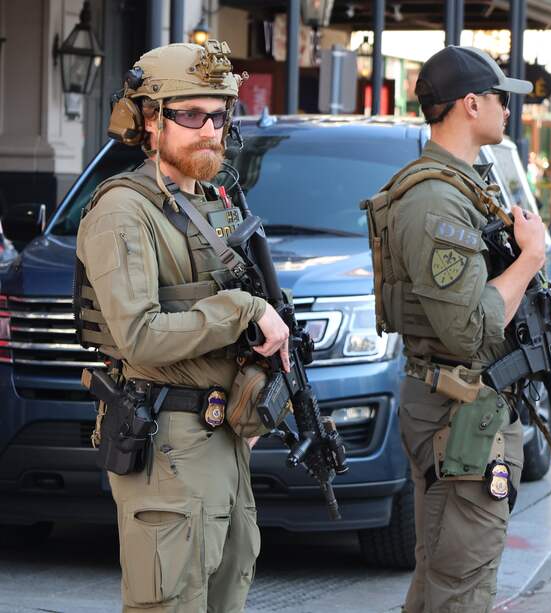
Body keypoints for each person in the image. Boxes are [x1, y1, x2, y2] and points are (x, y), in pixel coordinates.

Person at [75, 41, 290, 611]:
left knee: (227, 588)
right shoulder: (124, 211)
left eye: (219, 115)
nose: (210, 130)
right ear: (150, 120)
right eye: (190, 114)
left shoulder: (212, 203)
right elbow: (139, 335)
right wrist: (243, 310)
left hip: (223, 438)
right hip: (168, 441)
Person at [365, 45, 546, 612]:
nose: (506, 109)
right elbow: (470, 330)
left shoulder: (464, 185)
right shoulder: (436, 200)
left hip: (463, 403)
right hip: (457, 410)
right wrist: (530, 260)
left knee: (443, 576)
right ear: (470, 104)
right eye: (498, 98)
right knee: (460, 585)